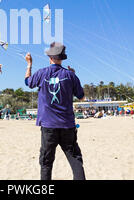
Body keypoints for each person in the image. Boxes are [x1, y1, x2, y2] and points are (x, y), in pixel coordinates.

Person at [24, 42, 86, 180]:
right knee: (75, 159)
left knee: (46, 162)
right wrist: (73, 77)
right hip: (67, 125)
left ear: (50, 57)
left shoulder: (41, 73)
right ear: (62, 58)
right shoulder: (70, 76)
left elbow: (28, 82)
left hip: (48, 126)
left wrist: (29, 65)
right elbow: (82, 97)